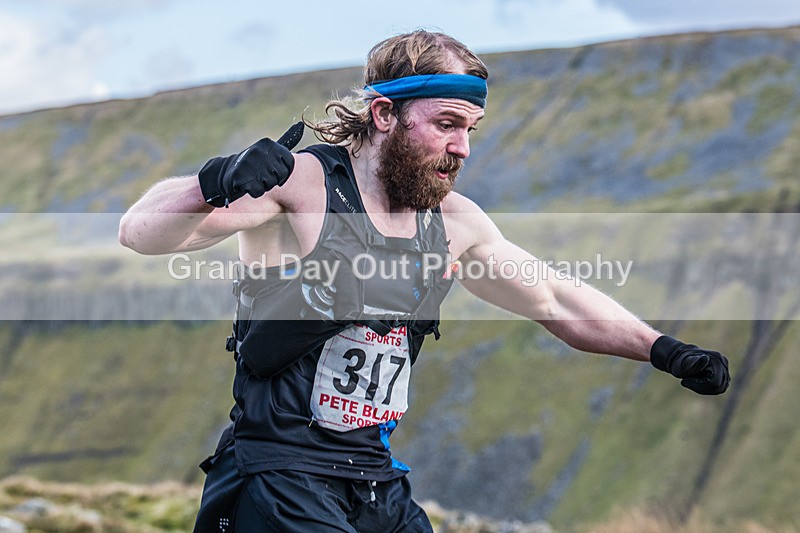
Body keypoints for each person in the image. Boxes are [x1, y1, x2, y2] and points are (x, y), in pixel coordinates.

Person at [118, 30, 730, 533]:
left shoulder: (455, 224)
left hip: (375, 481)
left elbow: (556, 298)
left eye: (471, 130)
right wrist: (214, 181)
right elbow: (139, 232)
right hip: (279, 477)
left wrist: (664, 349)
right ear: (384, 114)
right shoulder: (300, 187)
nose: (462, 147)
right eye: (446, 124)